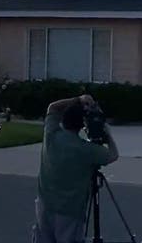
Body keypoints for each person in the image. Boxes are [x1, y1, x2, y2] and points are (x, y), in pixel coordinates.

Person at [32, 95, 119, 243]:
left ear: (64, 119)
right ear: (82, 125)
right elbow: (113, 155)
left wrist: (78, 99)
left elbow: (52, 107)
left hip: (44, 206)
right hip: (69, 212)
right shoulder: (87, 150)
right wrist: (107, 133)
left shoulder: (51, 135)